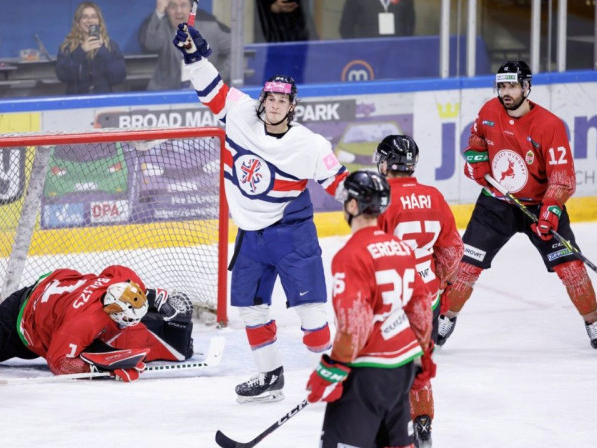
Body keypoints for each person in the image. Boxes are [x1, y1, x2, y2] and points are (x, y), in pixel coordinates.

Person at [172, 24, 350, 403]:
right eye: (269, 98)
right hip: (251, 236)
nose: (273, 105)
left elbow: (340, 184)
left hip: (292, 234)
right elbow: (212, 88)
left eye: (281, 102)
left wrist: (365, 208)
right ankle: (270, 377)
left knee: (313, 321)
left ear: (292, 107)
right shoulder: (239, 114)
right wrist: (194, 55)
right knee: (251, 311)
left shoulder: (309, 145)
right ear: (262, 99)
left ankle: (342, 376)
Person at [438, 60, 597, 353]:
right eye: (502, 86)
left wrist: (551, 210)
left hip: (539, 205)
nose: (506, 92)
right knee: (466, 267)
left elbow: (562, 176)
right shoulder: (489, 111)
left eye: (513, 86)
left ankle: (592, 320)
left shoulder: (549, 125)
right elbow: (477, 138)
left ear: (526, 87)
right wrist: (477, 161)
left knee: (571, 269)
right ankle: (446, 317)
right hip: (496, 206)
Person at [0, 266, 195, 381]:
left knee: (126, 340)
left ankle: (178, 339)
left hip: (55, 296)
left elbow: (116, 271)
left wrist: (153, 297)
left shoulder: (124, 281)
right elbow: (59, 362)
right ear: (111, 310)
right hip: (21, 319)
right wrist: (100, 369)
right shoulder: (83, 323)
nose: (128, 323)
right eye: (124, 318)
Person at [306, 170, 433, 448]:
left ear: (352, 206)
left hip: (367, 372)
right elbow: (421, 307)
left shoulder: (350, 255)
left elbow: (355, 324)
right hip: (402, 369)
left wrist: (333, 368)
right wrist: (424, 354)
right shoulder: (401, 248)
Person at [374, 135, 463, 447]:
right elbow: (453, 250)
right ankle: (422, 424)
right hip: (427, 296)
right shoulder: (434, 196)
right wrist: (440, 281)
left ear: (384, 163)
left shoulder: (380, 199)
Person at [139, 0, 231, 91]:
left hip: (204, 94)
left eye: (183, 5)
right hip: (166, 95)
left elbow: (236, 48)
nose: (178, 11)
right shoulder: (162, 28)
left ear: (191, 9)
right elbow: (150, 44)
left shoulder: (211, 29)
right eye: (173, 6)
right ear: (167, 10)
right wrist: (159, 12)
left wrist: (219, 77)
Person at [55, 2, 127, 95]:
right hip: (77, 101)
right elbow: (62, 76)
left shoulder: (110, 46)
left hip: (103, 101)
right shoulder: (67, 47)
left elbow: (119, 77)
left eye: (94, 17)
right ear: (78, 22)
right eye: (84, 17)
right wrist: (81, 51)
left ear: (99, 21)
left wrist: (103, 51)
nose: (90, 20)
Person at [339, 0, 415, 39]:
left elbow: (409, 24)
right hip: (366, 53)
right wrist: (356, 49)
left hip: (395, 51)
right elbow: (346, 27)